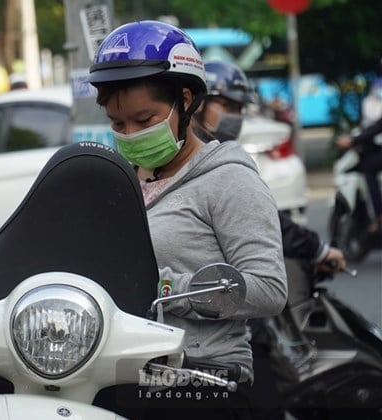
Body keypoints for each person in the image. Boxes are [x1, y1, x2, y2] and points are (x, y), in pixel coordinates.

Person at [87, 21, 287, 417]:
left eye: (144, 121)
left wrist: (164, 285)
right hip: (119, 373)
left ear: (186, 99)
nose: (130, 135)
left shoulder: (229, 179)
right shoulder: (120, 178)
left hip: (199, 382)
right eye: (117, 124)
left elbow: (269, 288)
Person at [196, 60, 347, 271]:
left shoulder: (220, 153)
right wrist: (317, 249)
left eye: (239, 109)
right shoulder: (211, 162)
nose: (235, 116)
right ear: (198, 103)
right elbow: (261, 219)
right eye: (227, 106)